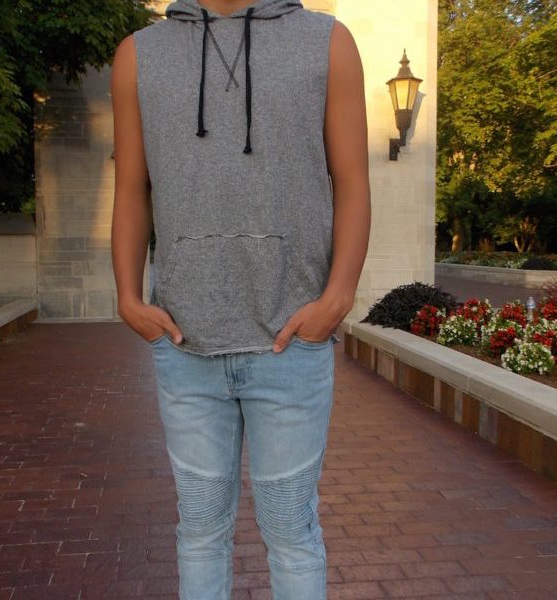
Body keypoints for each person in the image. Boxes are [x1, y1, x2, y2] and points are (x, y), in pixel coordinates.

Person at [110, 0, 370, 598]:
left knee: (291, 532)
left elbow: (353, 181)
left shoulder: (328, 43)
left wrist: (337, 299)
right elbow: (131, 186)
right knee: (200, 532)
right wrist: (127, 296)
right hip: (185, 345)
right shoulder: (137, 56)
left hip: (291, 345)